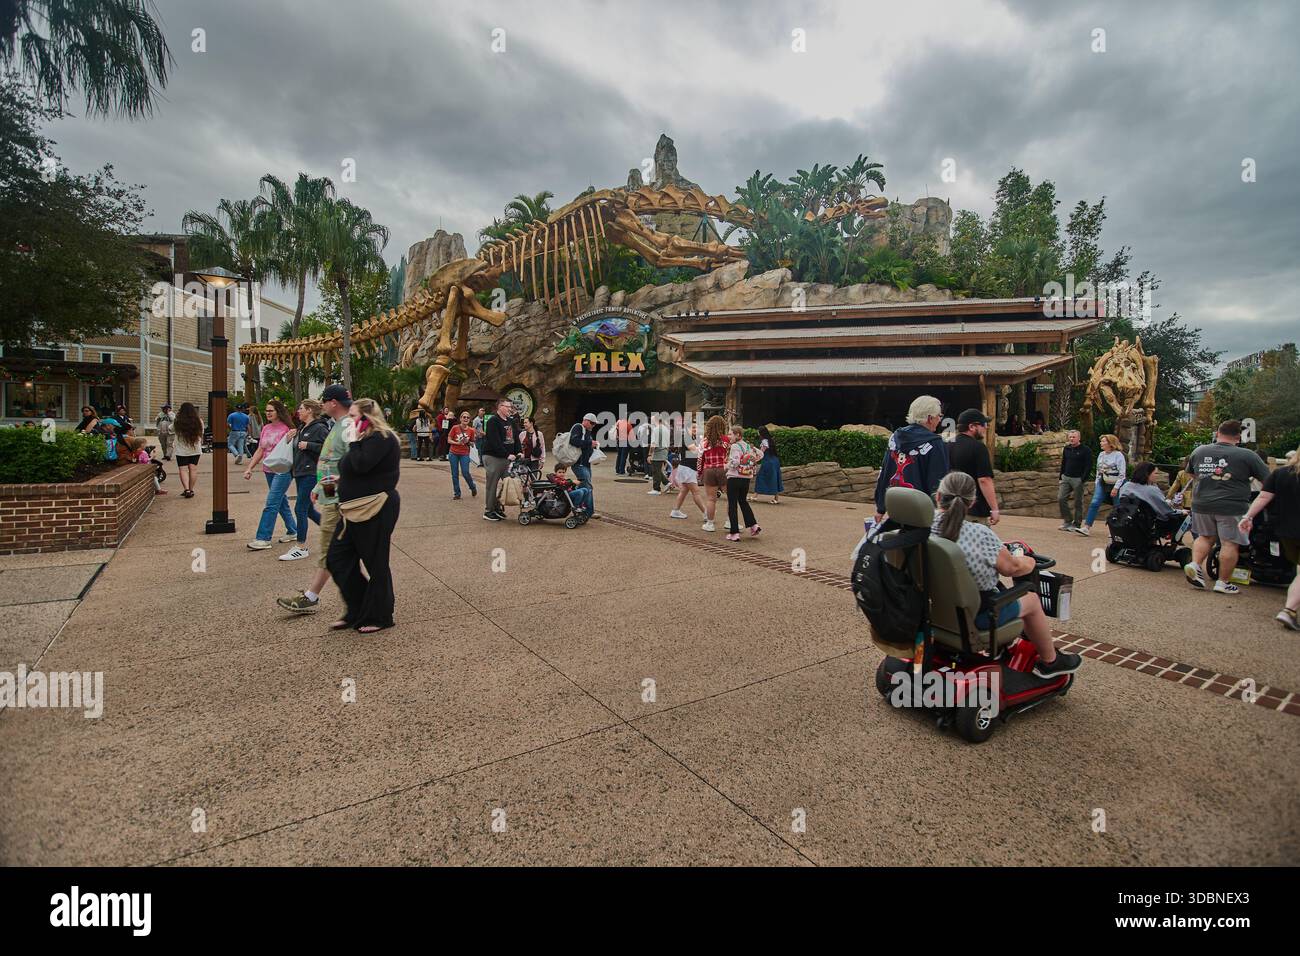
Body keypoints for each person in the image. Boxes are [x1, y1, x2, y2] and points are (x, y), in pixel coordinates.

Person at [932, 471, 1082, 678]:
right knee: (1030, 599)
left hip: (934, 612)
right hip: (977, 618)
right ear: (972, 502)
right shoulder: (981, 534)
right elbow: (1012, 568)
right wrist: (1028, 561)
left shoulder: (923, 527)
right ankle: (1050, 661)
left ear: (938, 496)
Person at [326, 398, 402, 633]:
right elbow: (357, 469)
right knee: (337, 559)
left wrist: (353, 439)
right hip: (352, 509)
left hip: (375, 507)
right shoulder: (363, 440)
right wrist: (340, 480)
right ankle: (358, 608)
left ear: (366, 418)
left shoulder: (382, 438)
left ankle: (380, 615)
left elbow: (362, 464)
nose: (348, 420)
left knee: (376, 562)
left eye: (353, 416)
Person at [277, 385, 353, 615]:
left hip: (339, 499)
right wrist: (322, 487)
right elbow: (333, 460)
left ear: (333, 403)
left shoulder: (346, 426)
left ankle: (312, 596)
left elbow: (354, 461)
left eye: (324, 401)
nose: (321, 405)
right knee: (340, 548)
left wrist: (334, 488)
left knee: (331, 548)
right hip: (332, 496)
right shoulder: (337, 425)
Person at [1183, 419, 1271, 595]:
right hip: (1232, 506)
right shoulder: (1248, 455)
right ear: (1238, 437)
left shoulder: (1199, 451)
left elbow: (1191, 473)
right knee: (1229, 543)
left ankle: (1195, 565)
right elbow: (1268, 480)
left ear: (1217, 433)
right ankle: (1223, 582)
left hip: (1202, 503)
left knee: (1205, 537)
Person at [1239, 446, 1300, 630]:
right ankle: (1289, 609)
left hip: (1285, 532)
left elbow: (1263, 497)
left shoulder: (1281, 474)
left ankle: (1290, 609)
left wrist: (1247, 517)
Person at [874, 395, 950, 520]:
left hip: (895, 506)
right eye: (939, 416)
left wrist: (880, 508)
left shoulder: (894, 438)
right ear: (930, 418)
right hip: (921, 510)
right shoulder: (935, 443)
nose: (939, 420)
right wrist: (941, 511)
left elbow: (885, 473)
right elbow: (938, 481)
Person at [242, 398, 298, 550]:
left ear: (278, 411)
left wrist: (290, 437)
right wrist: (250, 468)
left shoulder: (287, 428)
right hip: (268, 470)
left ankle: (263, 538)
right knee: (281, 503)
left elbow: (292, 449)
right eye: (266, 411)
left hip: (283, 471)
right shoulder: (266, 428)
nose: (268, 413)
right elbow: (260, 449)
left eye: (271, 410)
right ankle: (293, 530)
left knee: (271, 503)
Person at [281, 399, 329, 561]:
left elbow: (329, 449)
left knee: (300, 509)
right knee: (308, 510)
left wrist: (309, 445)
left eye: (301, 408)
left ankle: (301, 547)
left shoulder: (320, 428)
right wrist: (291, 438)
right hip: (300, 472)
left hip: (311, 473)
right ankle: (336, 533)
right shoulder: (302, 428)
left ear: (309, 410)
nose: (298, 411)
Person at [947, 408, 999, 526]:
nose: (986, 427)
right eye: (983, 424)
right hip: (973, 511)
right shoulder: (978, 448)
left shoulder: (947, 445)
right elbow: (984, 480)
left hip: (951, 508)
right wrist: (994, 509)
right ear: (972, 427)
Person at [1076, 433, 1125, 536]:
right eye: (1101, 441)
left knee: (1117, 506)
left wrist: (1116, 488)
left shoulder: (1118, 455)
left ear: (1110, 443)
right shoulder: (1101, 454)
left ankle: (1115, 530)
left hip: (1116, 482)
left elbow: (1122, 474)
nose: (1101, 443)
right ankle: (1086, 527)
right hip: (1103, 482)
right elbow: (1099, 470)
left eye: (1103, 441)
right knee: (1095, 502)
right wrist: (1097, 482)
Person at [482, 398, 520, 521]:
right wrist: (506, 454)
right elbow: (494, 442)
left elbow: (516, 437)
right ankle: (489, 510)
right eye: (508, 407)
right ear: (500, 407)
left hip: (507, 458)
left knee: (509, 483)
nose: (510, 409)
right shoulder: (493, 421)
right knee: (492, 485)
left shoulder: (511, 421)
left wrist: (518, 451)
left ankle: (497, 506)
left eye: (511, 407)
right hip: (494, 457)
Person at [723, 424, 762, 541]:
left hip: (734, 478)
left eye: (731, 434)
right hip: (746, 478)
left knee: (732, 504)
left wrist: (726, 465)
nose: (729, 436)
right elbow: (761, 454)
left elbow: (734, 463)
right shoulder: (748, 446)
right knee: (743, 502)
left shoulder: (735, 446)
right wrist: (753, 452)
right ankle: (754, 525)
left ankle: (734, 533)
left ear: (737, 435)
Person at [696, 415, 730, 532]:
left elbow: (700, 459)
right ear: (722, 426)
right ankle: (730, 522)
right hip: (723, 469)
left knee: (711, 499)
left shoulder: (704, 442)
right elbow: (729, 456)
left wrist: (699, 473)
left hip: (709, 470)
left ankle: (710, 524)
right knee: (731, 497)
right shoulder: (726, 440)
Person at [669, 420, 706, 520]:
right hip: (687, 468)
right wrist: (703, 446)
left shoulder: (693, 438)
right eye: (693, 427)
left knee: (684, 490)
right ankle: (706, 513)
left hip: (688, 468)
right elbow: (694, 450)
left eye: (696, 427)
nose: (695, 429)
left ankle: (675, 511)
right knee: (696, 492)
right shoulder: (686, 437)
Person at [567, 412, 599, 520]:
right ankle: (589, 511)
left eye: (594, 424)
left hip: (585, 463)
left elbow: (585, 445)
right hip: (579, 464)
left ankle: (578, 507)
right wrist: (590, 443)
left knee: (583, 486)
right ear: (585, 421)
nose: (593, 425)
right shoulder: (578, 427)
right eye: (592, 423)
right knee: (587, 486)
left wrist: (594, 455)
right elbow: (574, 440)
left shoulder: (587, 431)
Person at [1057, 429, 1091, 532]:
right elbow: (1064, 462)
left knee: (1078, 502)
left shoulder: (1086, 450)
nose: (1072, 439)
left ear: (1079, 438)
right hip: (1066, 477)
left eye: (1074, 437)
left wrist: (1083, 479)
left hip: (1078, 479)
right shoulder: (1066, 449)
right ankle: (1067, 521)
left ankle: (1077, 523)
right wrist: (1060, 477)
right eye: (1070, 437)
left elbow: (1088, 466)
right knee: (1061, 498)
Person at [172, 402, 204, 499]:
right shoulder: (199, 421)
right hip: (195, 449)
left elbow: (171, 429)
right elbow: (201, 433)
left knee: (183, 469)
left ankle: (186, 489)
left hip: (181, 450)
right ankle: (191, 489)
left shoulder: (177, 421)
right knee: (193, 469)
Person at [447, 411, 478, 501]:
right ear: (460, 418)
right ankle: (457, 493)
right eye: (464, 417)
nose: (465, 419)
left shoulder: (471, 430)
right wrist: (457, 442)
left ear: (469, 420)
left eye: (467, 417)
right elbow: (449, 439)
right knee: (455, 474)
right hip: (453, 453)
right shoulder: (455, 428)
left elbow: (472, 443)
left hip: (464, 453)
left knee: (465, 472)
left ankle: (472, 486)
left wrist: (468, 442)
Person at [754, 426, 784, 504]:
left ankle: (755, 496)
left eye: (758, 431)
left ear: (761, 433)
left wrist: (754, 452)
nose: (757, 432)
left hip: (768, 462)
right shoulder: (770, 440)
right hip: (775, 461)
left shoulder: (764, 441)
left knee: (760, 477)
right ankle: (776, 498)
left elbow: (761, 453)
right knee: (775, 478)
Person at [647, 413, 671, 496]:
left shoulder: (656, 429)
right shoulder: (666, 429)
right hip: (664, 450)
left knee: (655, 470)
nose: (651, 422)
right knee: (657, 470)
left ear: (656, 420)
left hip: (658, 452)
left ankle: (656, 489)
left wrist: (650, 454)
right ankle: (667, 483)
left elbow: (653, 443)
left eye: (652, 420)